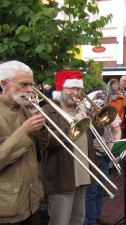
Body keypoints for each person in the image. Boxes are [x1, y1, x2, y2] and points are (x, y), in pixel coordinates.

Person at [41, 70, 97, 225]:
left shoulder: (81, 109)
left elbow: (98, 133)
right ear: (60, 89)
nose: (76, 93)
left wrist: (89, 117)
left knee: (78, 219)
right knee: (60, 221)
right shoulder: (48, 111)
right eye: (71, 88)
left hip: (82, 172)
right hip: (62, 176)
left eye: (78, 89)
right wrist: (73, 125)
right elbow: (49, 143)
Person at [0, 60, 49, 224]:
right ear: (4, 84)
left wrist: (41, 126)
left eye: (31, 84)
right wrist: (24, 131)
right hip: (7, 208)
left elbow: (41, 146)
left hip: (31, 201)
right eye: (24, 84)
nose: (29, 90)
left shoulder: (25, 109)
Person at [85, 112, 122, 225]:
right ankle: (90, 220)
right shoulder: (87, 113)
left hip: (106, 155)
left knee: (101, 189)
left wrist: (112, 147)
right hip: (92, 155)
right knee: (91, 191)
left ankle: (97, 215)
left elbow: (118, 131)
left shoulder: (111, 112)